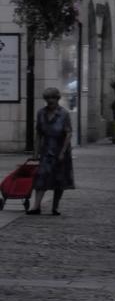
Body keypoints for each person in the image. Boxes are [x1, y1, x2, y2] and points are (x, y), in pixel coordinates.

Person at [27, 87, 74, 216]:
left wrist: (63, 152)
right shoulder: (41, 113)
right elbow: (38, 134)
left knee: (59, 179)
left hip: (60, 149)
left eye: (52, 97)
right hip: (46, 150)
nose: (50, 100)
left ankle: (55, 207)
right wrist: (35, 153)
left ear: (57, 98)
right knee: (41, 177)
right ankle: (36, 206)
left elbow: (69, 133)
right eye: (47, 98)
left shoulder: (64, 114)